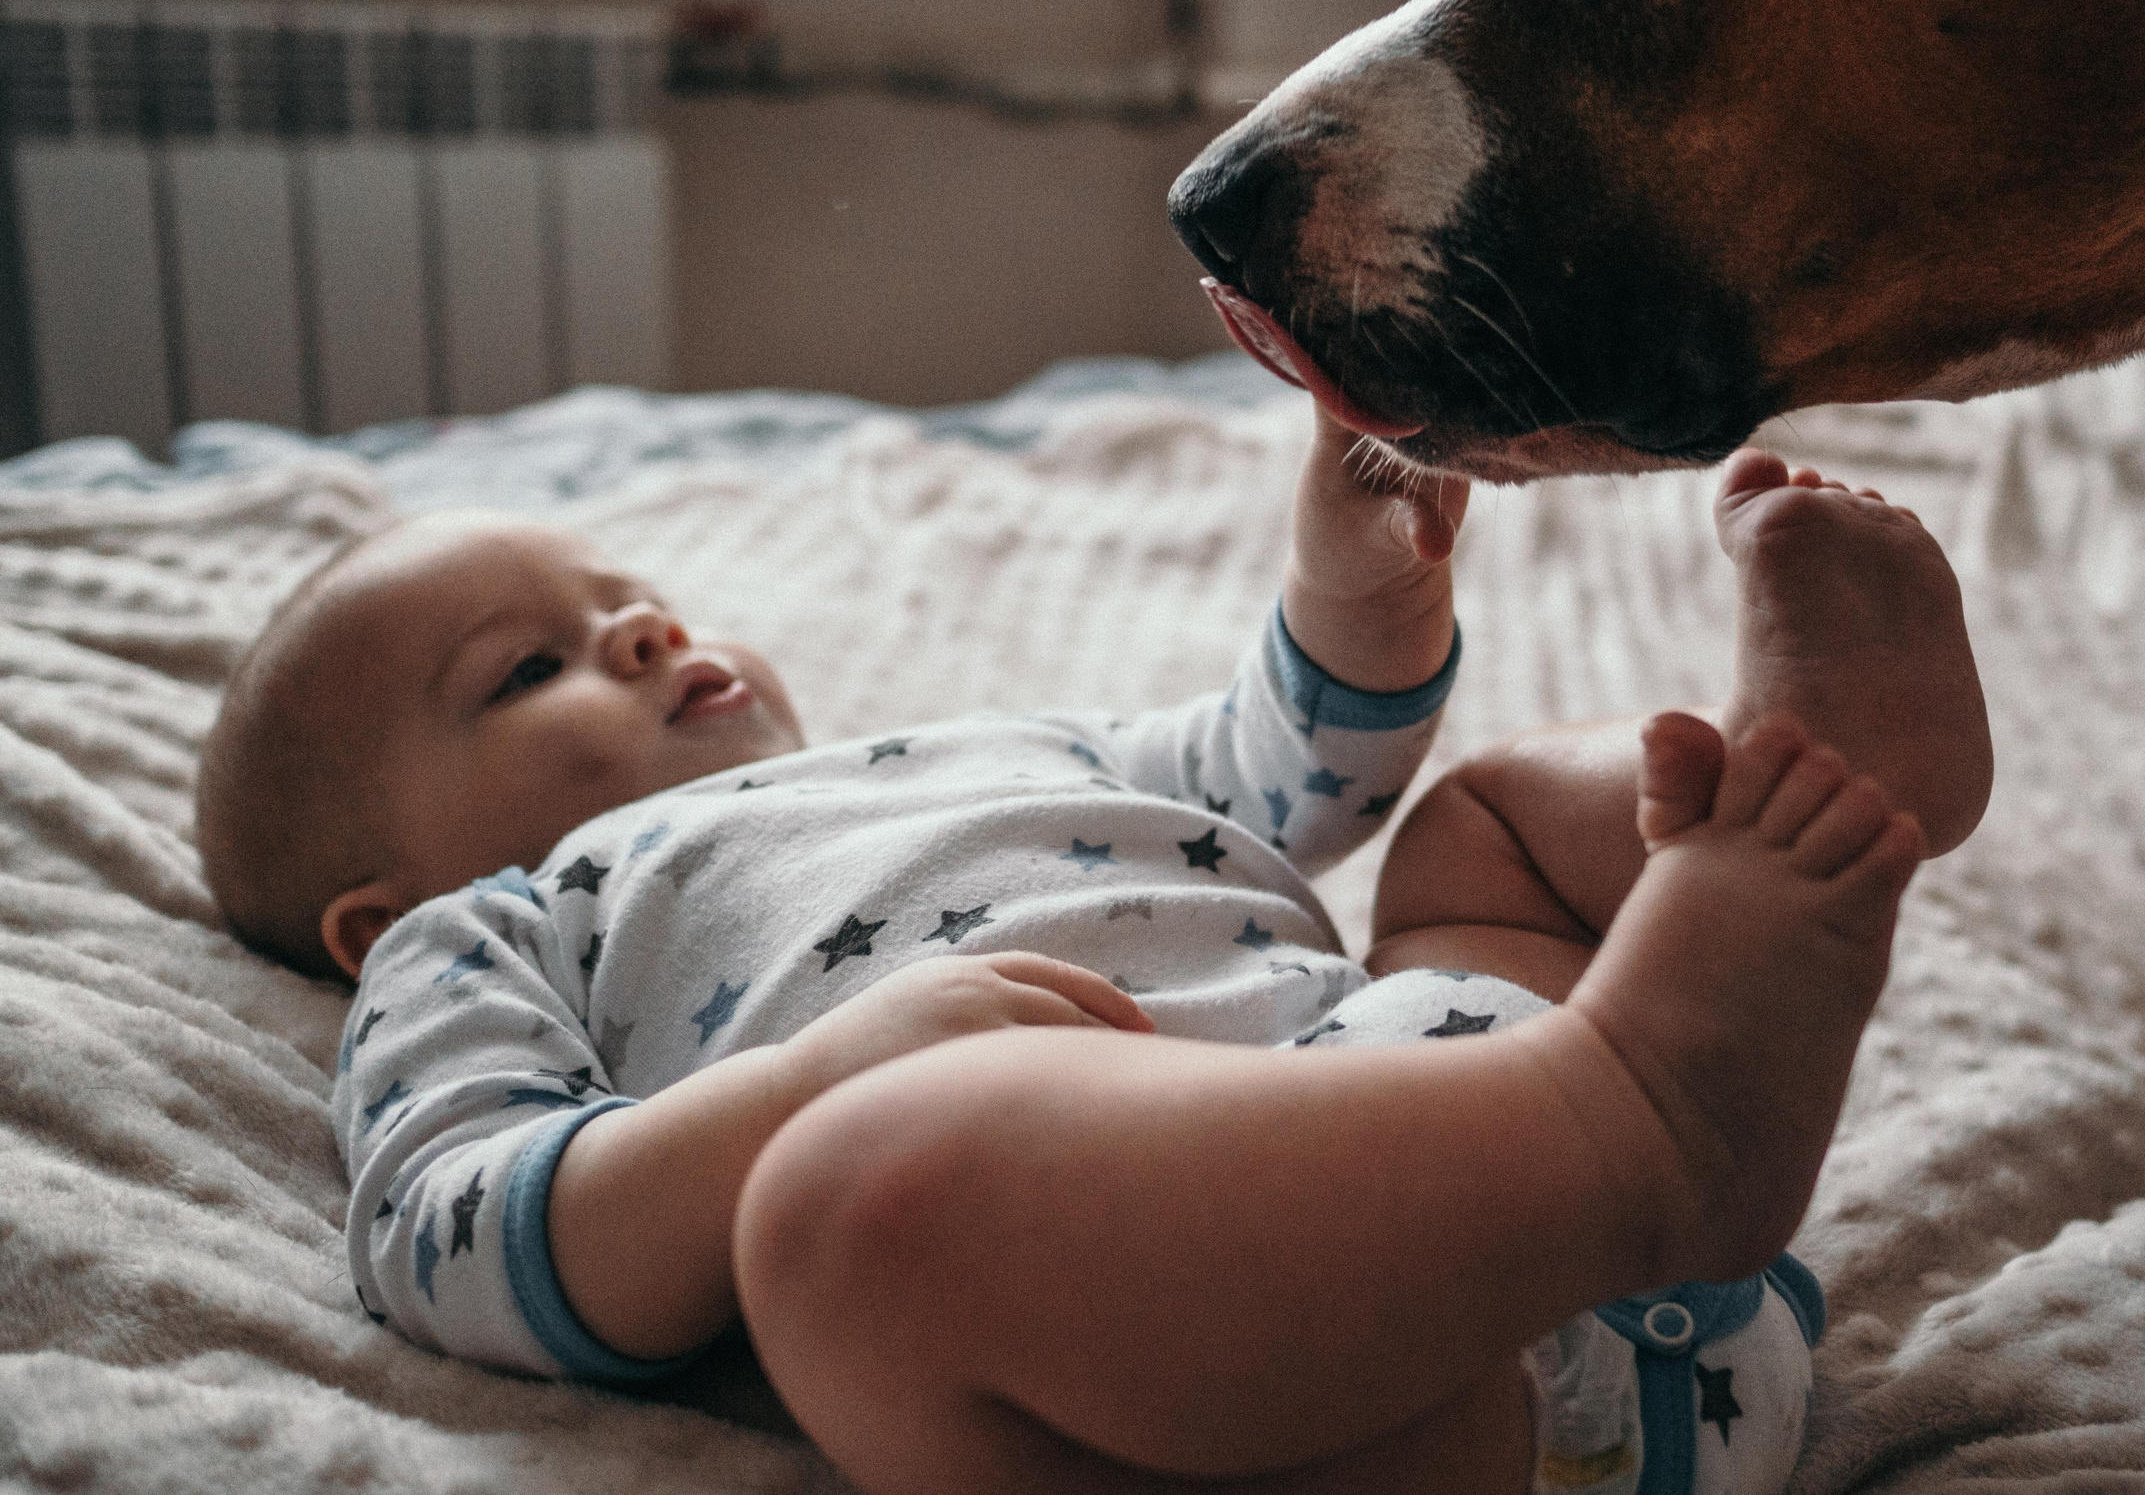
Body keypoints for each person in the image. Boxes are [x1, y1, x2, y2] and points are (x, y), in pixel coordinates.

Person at [195, 405, 1990, 1495]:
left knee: (1487, 827)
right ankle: (1657, 1109)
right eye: (529, 670)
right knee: (850, 1213)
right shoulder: (489, 930)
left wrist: (1349, 596)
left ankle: (1818, 787)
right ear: (375, 910)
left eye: (619, 597)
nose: (641, 628)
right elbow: (454, 1230)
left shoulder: (976, 755)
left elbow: (1269, 778)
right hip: (1339, 1414)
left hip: (1467, 1140)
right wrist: (803, 1090)